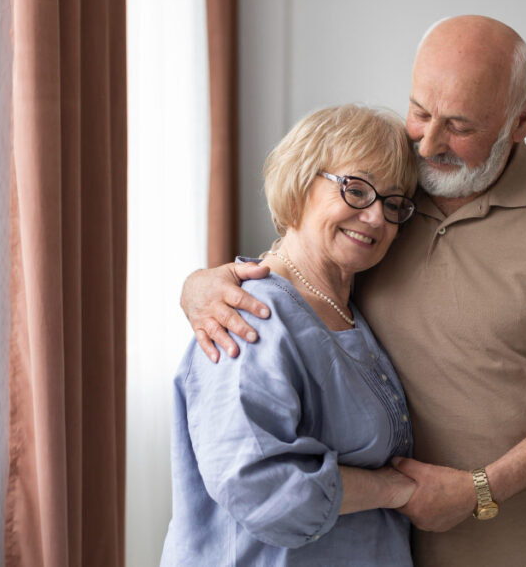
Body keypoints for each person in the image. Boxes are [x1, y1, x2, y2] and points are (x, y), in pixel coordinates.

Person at [181, 15, 526, 566]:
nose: (429, 144)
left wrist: (480, 489)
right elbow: (304, 252)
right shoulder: (390, 187)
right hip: (405, 545)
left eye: (462, 126)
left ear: (522, 120)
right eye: (420, 112)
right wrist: (202, 283)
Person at [160, 104, 421, 566]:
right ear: (300, 181)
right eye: (356, 190)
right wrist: (397, 490)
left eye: (393, 203)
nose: (377, 217)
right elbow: (262, 488)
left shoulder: (353, 309)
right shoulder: (249, 315)